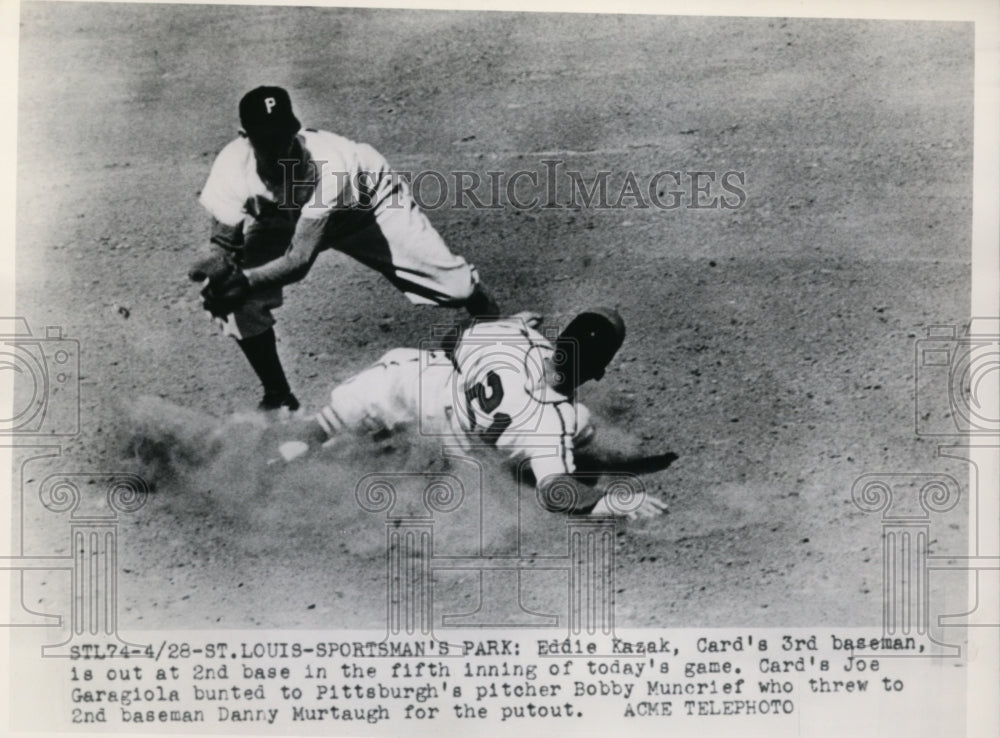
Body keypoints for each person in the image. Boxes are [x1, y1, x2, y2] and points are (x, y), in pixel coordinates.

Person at [189, 86, 500, 410]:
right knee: (238, 304)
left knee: (456, 289)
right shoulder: (231, 167)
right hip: (282, 217)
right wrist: (221, 271)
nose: (279, 146)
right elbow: (224, 241)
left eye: (284, 135)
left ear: (295, 128)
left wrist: (247, 280)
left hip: (368, 208)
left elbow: (299, 259)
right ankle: (278, 395)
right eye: (267, 139)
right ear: (245, 137)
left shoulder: (330, 164)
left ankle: (489, 315)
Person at [268, 308, 672, 517]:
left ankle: (267, 459)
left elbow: (452, 338)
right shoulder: (556, 422)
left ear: (561, 338)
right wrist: (614, 502)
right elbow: (557, 491)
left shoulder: (514, 339)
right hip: (451, 446)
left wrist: (506, 324)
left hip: (406, 385)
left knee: (320, 430)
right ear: (599, 371)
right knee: (576, 430)